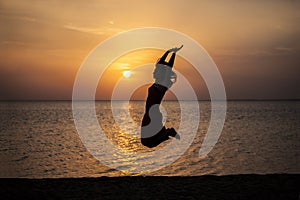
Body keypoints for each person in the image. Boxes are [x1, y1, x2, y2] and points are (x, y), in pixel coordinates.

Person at [141, 45, 183, 148]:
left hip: (153, 114)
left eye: (157, 71)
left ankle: (168, 133)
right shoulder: (156, 83)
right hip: (148, 114)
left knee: (147, 142)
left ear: (162, 74)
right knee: (146, 142)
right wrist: (168, 51)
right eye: (155, 70)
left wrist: (173, 54)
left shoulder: (163, 83)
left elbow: (169, 67)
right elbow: (159, 64)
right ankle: (167, 133)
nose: (154, 71)